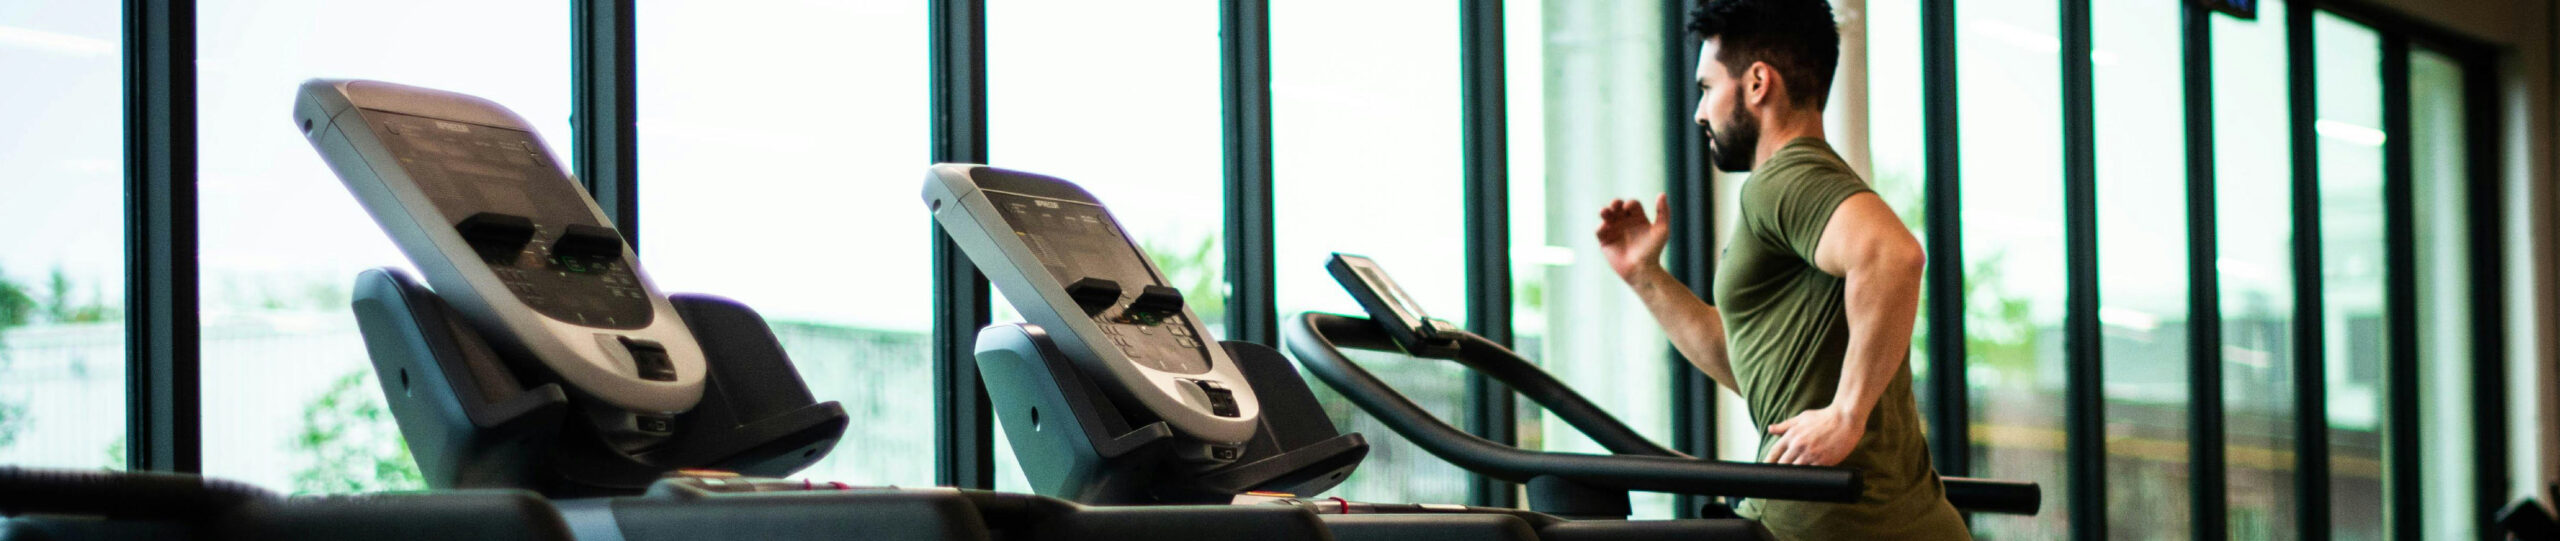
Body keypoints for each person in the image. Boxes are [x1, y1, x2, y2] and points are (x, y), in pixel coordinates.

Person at [1592, 1, 1965, 539]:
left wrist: (1846, 414)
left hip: (1825, 523)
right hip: (1901, 519)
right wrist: (1644, 275)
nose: (1700, 113)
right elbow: (1752, 363)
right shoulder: (1802, 183)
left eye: (1707, 88)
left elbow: (1893, 256)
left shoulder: (1785, 178)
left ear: (1757, 83)